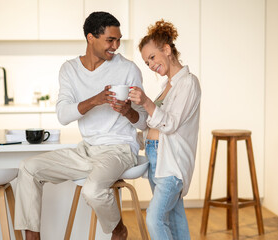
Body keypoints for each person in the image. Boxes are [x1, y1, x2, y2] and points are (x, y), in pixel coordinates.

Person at [14, 12, 148, 240]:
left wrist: (128, 111)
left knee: (93, 190)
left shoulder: (128, 69)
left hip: (119, 149)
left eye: (118, 39)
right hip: (86, 150)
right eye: (110, 40)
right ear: (90, 38)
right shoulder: (70, 70)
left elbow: (145, 121)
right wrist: (95, 100)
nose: (116, 46)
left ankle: (119, 230)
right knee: (28, 168)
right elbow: (63, 115)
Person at [129, 20, 201, 240]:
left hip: (171, 162)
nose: (150, 65)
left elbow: (170, 124)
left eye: (152, 57)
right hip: (155, 157)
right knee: (173, 219)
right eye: (146, 62)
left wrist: (147, 102)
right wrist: (130, 109)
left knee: (155, 217)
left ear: (167, 50)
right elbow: (150, 123)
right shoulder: (166, 87)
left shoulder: (188, 83)